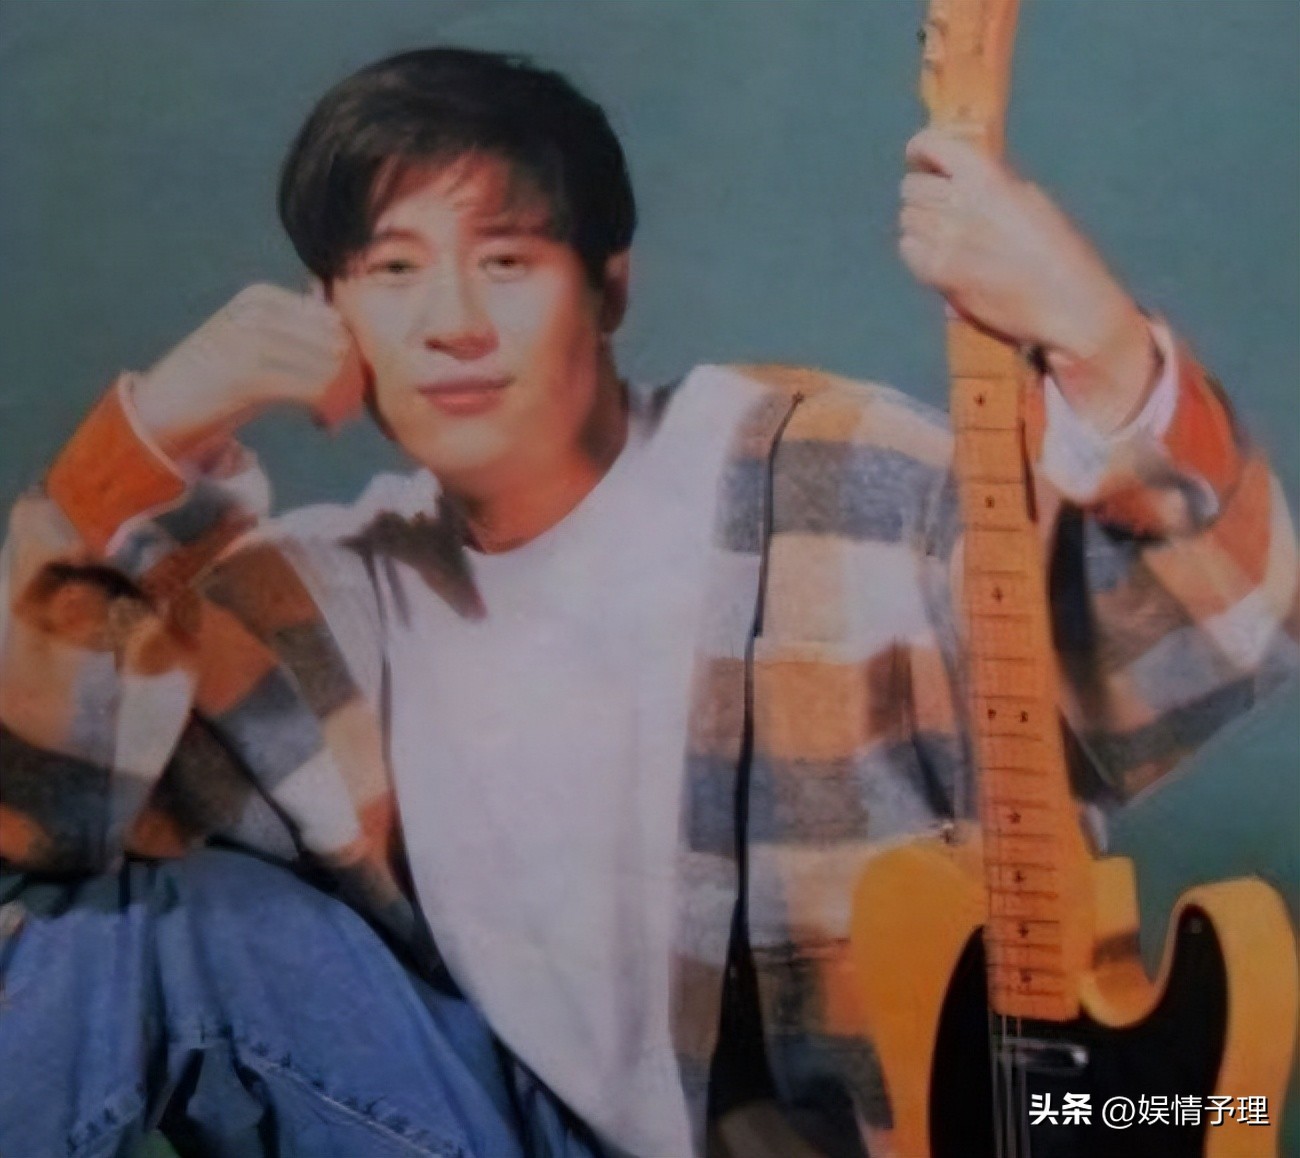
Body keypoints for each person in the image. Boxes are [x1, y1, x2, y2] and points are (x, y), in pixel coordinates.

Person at [0, 46, 1295, 1158]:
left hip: (859, 1136)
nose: (452, 322)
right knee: (146, 935)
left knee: (1190, 1102)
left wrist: (1101, 341)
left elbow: (1222, 637)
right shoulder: (316, 602)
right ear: (328, 311)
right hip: (489, 1129)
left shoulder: (831, 475)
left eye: (507, 259)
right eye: (391, 270)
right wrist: (148, 437)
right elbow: (31, 822)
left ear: (609, 286)